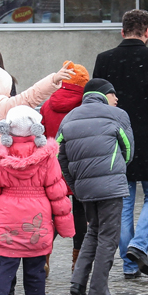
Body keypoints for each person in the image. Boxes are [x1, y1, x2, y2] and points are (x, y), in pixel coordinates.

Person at [0, 60, 73, 295]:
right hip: (6, 179)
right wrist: (53, 79)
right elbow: (30, 96)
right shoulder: (2, 105)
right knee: (12, 247)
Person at [0, 106, 75, 295]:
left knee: (4, 268)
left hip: (6, 218)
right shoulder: (47, 156)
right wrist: (65, 226)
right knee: (35, 270)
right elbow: (57, 193)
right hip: (36, 219)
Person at [92, 9, 148, 280]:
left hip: (116, 140)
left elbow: (96, 102)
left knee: (124, 203)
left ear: (122, 31)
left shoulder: (104, 59)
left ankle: (129, 265)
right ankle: (139, 245)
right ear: (147, 32)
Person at [58, 78, 134, 295]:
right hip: (110, 185)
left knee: (93, 231)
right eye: (113, 93)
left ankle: (78, 282)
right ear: (103, 95)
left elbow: (60, 156)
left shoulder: (69, 117)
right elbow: (128, 151)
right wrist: (113, 171)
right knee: (108, 236)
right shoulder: (118, 115)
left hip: (84, 187)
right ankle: (99, 291)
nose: (116, 98)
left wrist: (76, 183)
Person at [40, 61, 91, 271]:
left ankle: (43, 258)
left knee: (52, 213)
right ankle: (77, 261)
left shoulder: (47, 104)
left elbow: (41, 136)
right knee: (81, 214)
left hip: (53, 166)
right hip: (79, 166)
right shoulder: (85, 107)